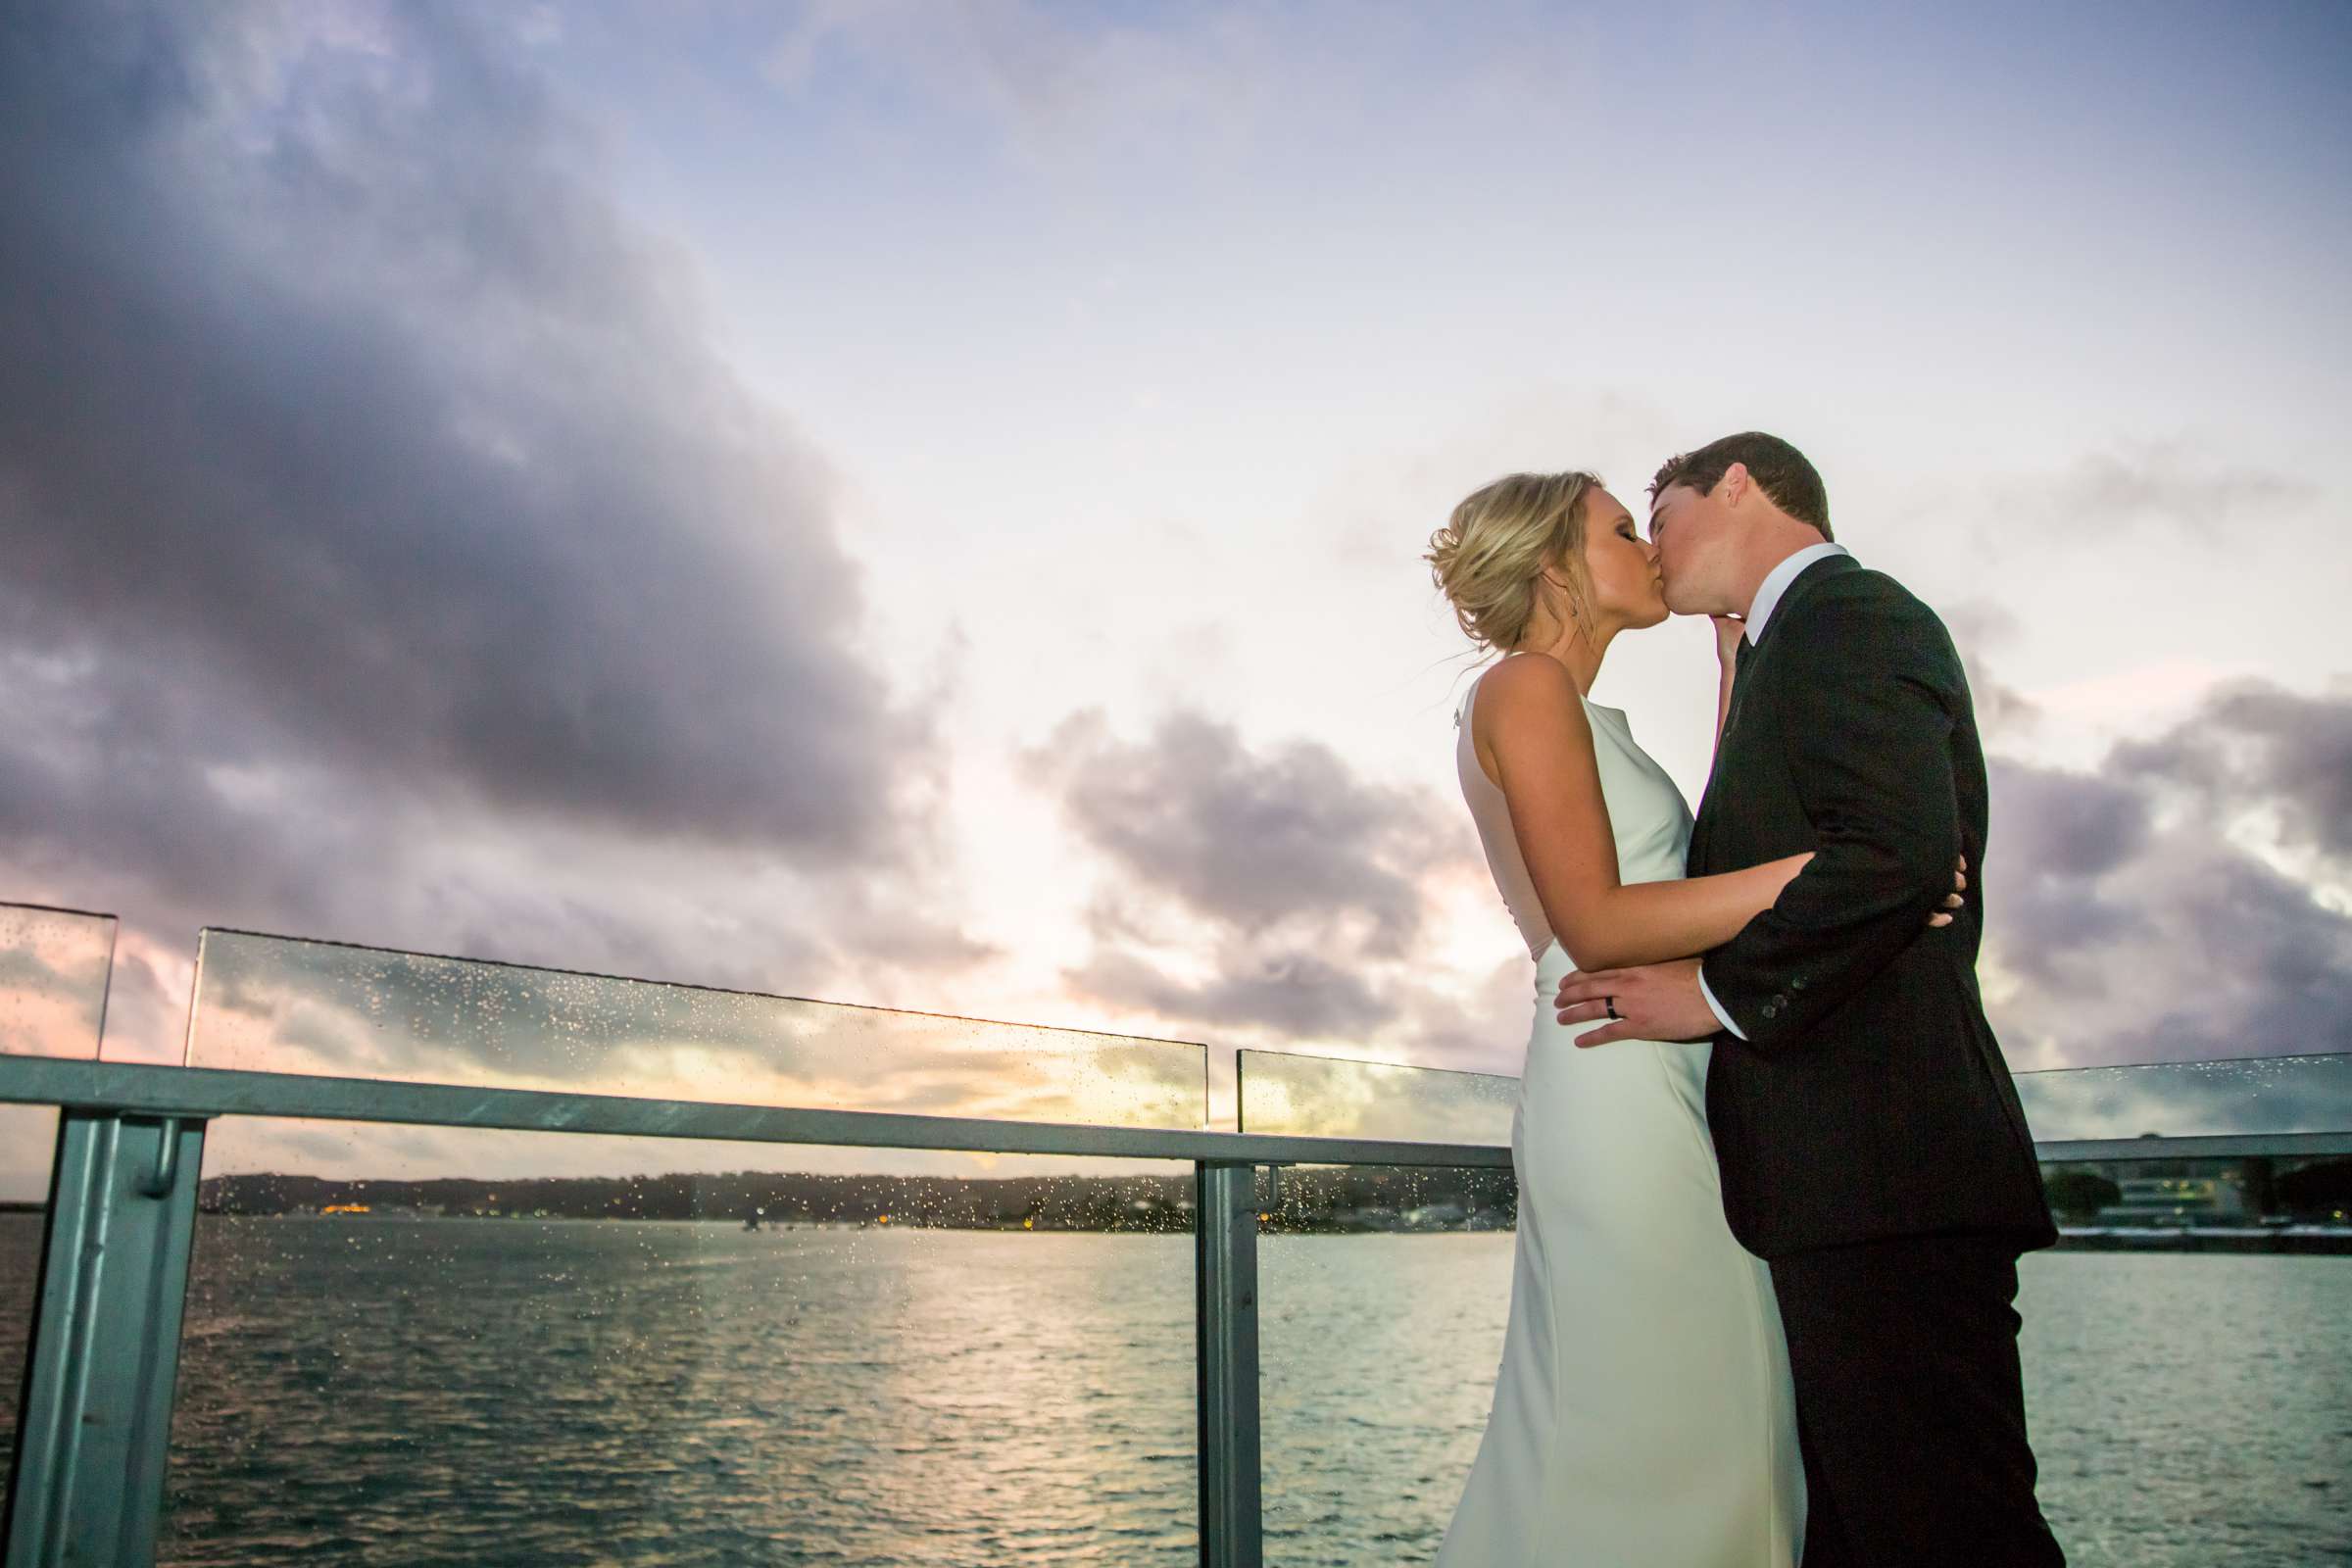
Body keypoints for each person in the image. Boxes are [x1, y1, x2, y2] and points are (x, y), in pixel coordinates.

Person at [1423, 470, 1962, 1566]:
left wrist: (1732, 687)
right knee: (1644, 1424)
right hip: (1612, 1070)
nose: (1648, 548)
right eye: (1623, 530)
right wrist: (1843, 868)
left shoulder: (1574, 709)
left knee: (1708, 1409)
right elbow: (1601, 919)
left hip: (1664, 1065)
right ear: (1556, 567)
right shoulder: (1521, 687)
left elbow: (1683, 864)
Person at [1551, 432, 2064, 1566]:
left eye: (1663, 512)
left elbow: (1892, 855)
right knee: (1863, 1530)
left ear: (1739, 486)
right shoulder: (1787, 648)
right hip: (1847, 1175)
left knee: (1949, 1528)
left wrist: (1713, 997)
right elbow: (1863, 856)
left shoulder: (1850, 613)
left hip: (1887, 1166)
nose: (1656, 544)